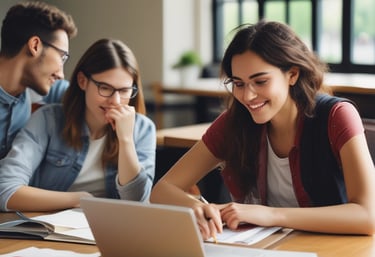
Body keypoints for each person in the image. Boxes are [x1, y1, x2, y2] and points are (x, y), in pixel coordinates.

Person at [151, 20, 375, 239]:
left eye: (260, 82)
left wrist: (272, 215)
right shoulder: (234, 121)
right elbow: (162, 190)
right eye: (238, 83)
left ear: (292, 74)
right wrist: (197, 207)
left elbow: (368, 216)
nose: (247, 96)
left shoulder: (337, 116)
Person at [0, 38, 156, 212]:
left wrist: (126, 140)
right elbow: (6, 190)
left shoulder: (144, 129)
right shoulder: (48, 120)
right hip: (49, 227)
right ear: (83, 81)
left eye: (124, 90)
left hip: (112, 232)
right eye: (105, 88)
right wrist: (78, 199)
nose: (115, 101)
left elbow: (137, 203)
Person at [0, 1, 77, 159]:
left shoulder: (37, 87)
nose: (61, 74)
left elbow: (84, 95)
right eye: (62, 57)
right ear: (35, 46)